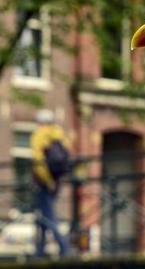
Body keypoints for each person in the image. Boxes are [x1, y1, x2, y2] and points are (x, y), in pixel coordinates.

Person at [31, 109, 70, 258]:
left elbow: (38, 161)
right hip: (57, 180)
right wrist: (55, 180)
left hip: (44, 182)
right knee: (43, 213)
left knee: (47, 214)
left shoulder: (39, 135)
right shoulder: (58, 134)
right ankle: (40, 249)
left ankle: (63, 246)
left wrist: (47, 180)